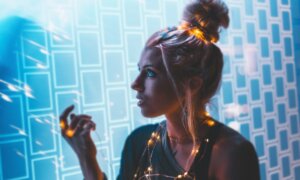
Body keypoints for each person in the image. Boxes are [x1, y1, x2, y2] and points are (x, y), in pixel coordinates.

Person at [59, 0, 260, 179]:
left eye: (150, 73)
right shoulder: (139, 142)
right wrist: (86, 157)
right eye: (140, 70)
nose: (135, 84)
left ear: (192, 85)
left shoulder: (229, 153)